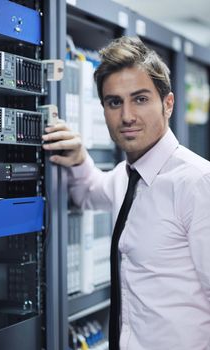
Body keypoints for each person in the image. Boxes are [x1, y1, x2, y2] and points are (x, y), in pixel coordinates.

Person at [42, 36, 210, 350]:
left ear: (168, 103)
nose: (127, 115)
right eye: (114, 102)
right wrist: (79, 157)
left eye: (141, 99)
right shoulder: (125, 177)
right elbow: (88, 192)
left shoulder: (198, 182)